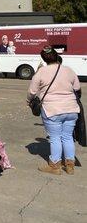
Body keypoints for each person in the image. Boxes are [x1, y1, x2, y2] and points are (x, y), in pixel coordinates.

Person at [27, 46, 81, 175]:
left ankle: (55, 166)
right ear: (57, 56)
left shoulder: (41, 72)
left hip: (52, 109)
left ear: (44, 59)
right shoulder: (69, 70)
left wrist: (29, 102)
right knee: (67, 137)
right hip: (71, 109)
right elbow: (77, 88)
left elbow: (31, 92)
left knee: (55, 137)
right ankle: (70, 166)